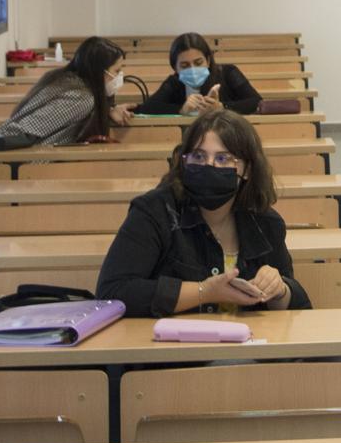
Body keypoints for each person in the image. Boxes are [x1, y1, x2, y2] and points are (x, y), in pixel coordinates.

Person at [96, 109, 310, 317]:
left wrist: (280, 289)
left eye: (223, 159)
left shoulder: (265, 222)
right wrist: (203, 292)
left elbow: (299, 311)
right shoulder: (155, 211)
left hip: (249, 348)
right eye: (198, 156)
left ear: (247, 169)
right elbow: (113, 292)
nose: (209, 166)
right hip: (172, 348)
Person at [0, 36, 135, 148]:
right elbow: (24, 131)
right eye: (116, 71)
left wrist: (108, 110)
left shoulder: (66, 79)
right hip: (34, 166)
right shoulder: (81, 98)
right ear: (98, 72)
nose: (120, 75)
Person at [135, 32, 262, 115]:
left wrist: (222, 107)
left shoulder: (228, 73)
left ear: (207, 60)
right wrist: (181, 109)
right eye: (184, 66)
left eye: (198, 62)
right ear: (175, 68)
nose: (192, 69)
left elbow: (256, 102)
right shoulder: (173, 82)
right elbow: (148, 108)